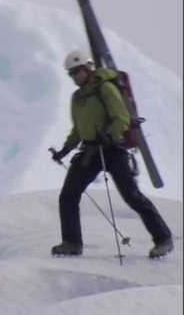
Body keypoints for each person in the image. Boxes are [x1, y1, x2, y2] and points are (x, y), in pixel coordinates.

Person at [50, 50, 173, 258]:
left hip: (113, 149)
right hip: (90, 150)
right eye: (71, 74)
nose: (74, 77)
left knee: (131, 195)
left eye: (77, 72)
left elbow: (121, 117)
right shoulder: (77, 97)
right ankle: (71, 243)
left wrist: (109, 137)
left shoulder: (105, 88)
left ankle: (163, 238)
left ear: (87, 68)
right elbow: (78, 129)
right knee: (68, 196)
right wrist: (65, 149)